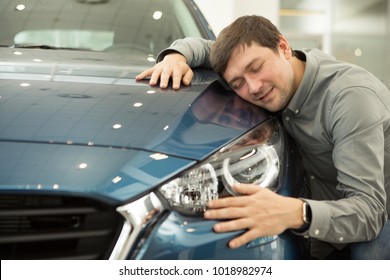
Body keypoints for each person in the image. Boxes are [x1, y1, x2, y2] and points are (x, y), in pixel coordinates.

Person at [136, 15, 390, 259]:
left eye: (257, 68)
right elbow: (204, 48)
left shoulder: (349, 98)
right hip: (329, 208)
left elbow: (369, 212)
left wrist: (295, 212)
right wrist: (175, 57)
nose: (254, 87)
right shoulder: (264, 66)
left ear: (283, 47)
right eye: (238, 84)